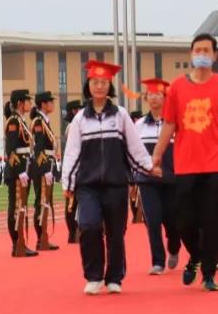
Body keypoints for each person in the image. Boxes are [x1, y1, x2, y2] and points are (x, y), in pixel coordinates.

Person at [149, 33, 218, 292]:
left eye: (206, 50)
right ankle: (196, 256)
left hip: (216, 164)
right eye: (197, 50)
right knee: (183, 221)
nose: (202, 54)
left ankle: (209, 274)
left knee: (213, 221)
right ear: (191, 54)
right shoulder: (177, 87)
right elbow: (170, 123)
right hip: (186, 164)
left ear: (215, 55)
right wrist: (157, 153)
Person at [62, 61, 154, 295]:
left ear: (109, 85)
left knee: (116, 232)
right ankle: (94, 276)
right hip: (88, 186)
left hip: (116, 184)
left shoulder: (120, 115)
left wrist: (149, 167)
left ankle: (114, 277)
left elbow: (134, 147)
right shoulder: (80, 119)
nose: (99, 86)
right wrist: (68, 183)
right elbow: (72, 153)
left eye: (104, 82)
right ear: (88, 85)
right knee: (89, 226)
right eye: (95, 82)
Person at [134, 80, 181, 272]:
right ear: (146, 98)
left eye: (158, 94)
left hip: (172, 179)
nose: (154, 98)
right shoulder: (139, 125)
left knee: (173, 220)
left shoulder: (175, 124)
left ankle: (174, 248)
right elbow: (134, 152)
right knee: (152, 220)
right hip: (147, 180)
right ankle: (157, 261)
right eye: (150, 94)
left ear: (165, 98)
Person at [4, 89, 38, 257]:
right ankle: (17, 243)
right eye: (27, 100)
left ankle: (21, 242)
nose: (30, 104)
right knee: (16, 207)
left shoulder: (21, 121)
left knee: (21, 207)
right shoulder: (14, 121)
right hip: (18, 170)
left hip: (25, 168)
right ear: (19, 103)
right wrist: (19, 171)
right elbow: (10, 150)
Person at [30, 91, 60, 251]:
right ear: (43, 104)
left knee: (46, 202)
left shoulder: (45, 121)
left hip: (48, 163)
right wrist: (44, 169)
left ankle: (44, 237)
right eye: (50, 102)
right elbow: (39, 148)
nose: (52, 104)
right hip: (42, 166)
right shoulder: (39, 122)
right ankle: (41, 239)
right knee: (41, 202)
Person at [62, 99, 84, 244]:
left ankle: (74, 232)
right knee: (72, 202)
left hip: (78, 167)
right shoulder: (72, 127)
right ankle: (73, 232)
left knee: (75, 202)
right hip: (76, 168)